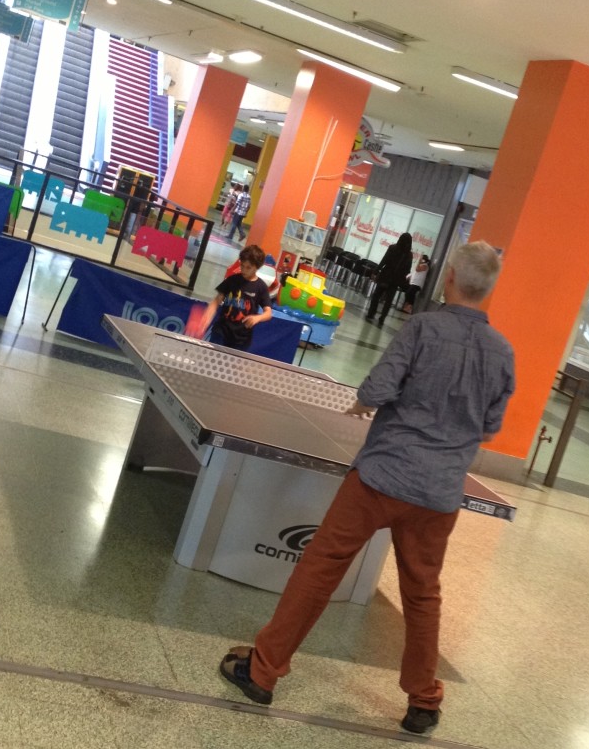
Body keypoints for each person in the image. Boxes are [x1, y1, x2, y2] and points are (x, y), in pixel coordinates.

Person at [218, 240, 515, 737]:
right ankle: (423, 702)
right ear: (488, 290)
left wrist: (372, 404)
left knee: (319, 568)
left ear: (449, 280)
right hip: (440, 494)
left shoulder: (422, 329)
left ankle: (263, 672)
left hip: (381, 477)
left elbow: (376, 391)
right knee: (423, 596)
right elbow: (489, 429)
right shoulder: (502, 352)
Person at [196, 243, 273, 350]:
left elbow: (268, 313)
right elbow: (216, 301)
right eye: (242, 266)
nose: (244, 270)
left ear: (257, 267)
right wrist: (207, 317)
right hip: (221, 331)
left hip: (241, 339)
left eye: (248, 267)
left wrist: (258, 318)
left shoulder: (261, 287)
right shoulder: (232, 280)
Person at [366, 232, 413, 326]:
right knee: (389, 300)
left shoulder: (392, 248)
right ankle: (382, 318)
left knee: (376, 296)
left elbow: (384, 260)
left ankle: (371, 314)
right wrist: (403, 277)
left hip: (385, 276)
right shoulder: (409, 255)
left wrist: (376, 271)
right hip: (395, 280)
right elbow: (408, 270)